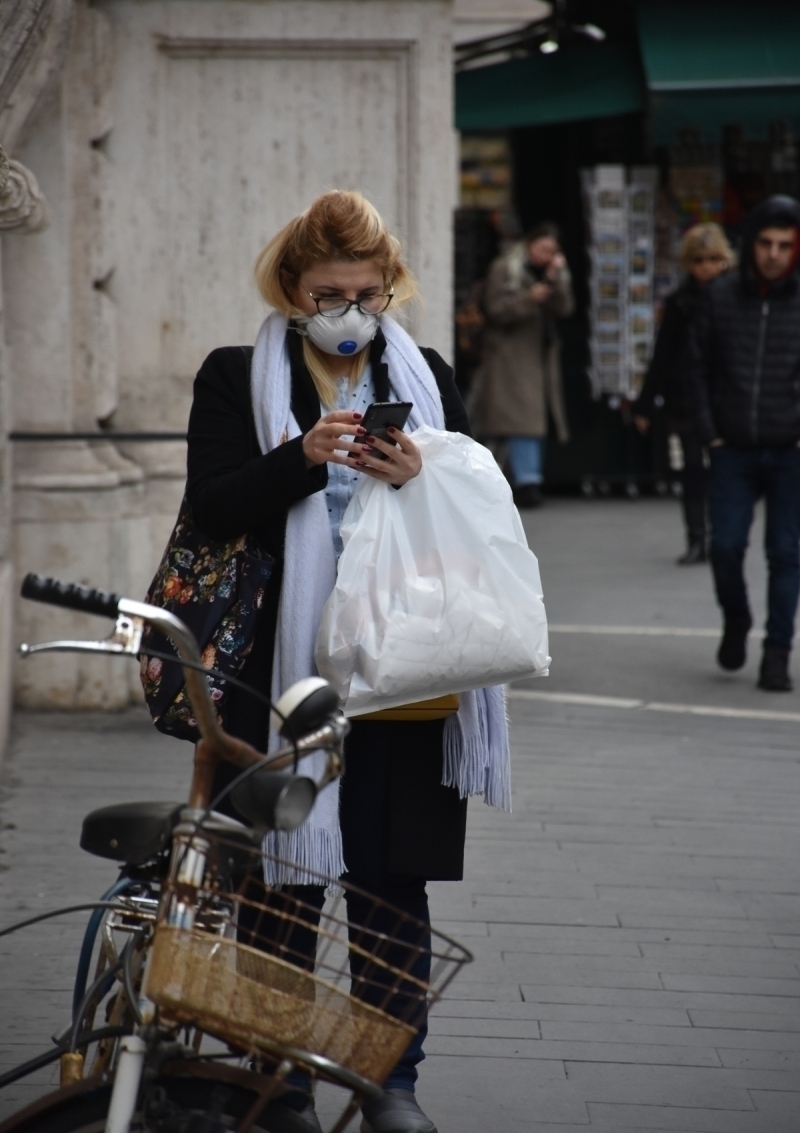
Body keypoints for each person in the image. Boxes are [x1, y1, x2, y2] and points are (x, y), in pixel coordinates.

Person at [185, 190, 510, 1133]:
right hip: (276, 673)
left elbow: (478, 503)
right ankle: (278, 1078)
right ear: (292, 286)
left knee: (390, 880)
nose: (350, 312)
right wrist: (301, 458)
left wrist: (424, 478)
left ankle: (389, 1081)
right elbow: (212, 507)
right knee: (278, 881)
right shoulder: (233, 375)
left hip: (400, 666)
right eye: (330, 291)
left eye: (368, 293)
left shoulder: (431, 372)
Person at [689, 195, 800, 692]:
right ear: (751, 243)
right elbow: (697, 367)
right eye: (766, 243)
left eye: (785, 245)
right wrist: (709, 430)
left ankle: (777, 652)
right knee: (726, 546)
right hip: (731, 446)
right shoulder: (720, 296)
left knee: (786, 553)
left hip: (788, 450)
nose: (774, 254)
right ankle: (736, 617)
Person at [633, 224, 734, 564]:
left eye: (713, 259)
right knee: (691, 471)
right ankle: (696, 539)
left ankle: (722, 539)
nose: (706, 266)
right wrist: (644, 403)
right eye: (699, 260)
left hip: (727, 397)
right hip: (685, 396)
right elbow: (663, 353)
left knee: (724, 471)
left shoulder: (735, 298)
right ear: (688, 263)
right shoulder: (678, 303)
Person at [471, 222, 574, 508]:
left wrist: (558, 281)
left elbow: (565, 309)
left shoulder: (552, 273)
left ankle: (526, 479)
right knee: (521, 421)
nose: (546, 255)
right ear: (529, 245)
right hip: (510, 358)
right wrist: (530, 298)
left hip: (539, 358)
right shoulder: (505, 268)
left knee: (529, 421)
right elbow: (495, 309)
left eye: (552, 251)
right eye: (543, 249)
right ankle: (527, 482)